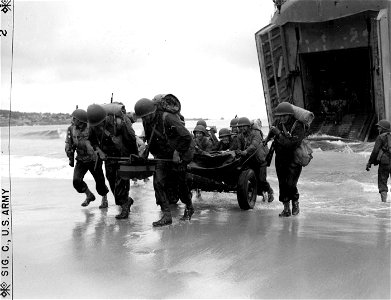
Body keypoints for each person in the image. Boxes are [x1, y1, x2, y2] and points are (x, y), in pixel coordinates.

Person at [134, 97, 195, 227]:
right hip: (162, 156)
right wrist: (145, 152)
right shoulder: (147, 121)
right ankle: (167, 215)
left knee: (180, 185)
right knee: (158, 183)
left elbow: (186, 137)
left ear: (153, 111)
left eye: (146, 117)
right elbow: (151, 139)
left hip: (178, 153)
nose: (144, 120)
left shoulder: (167, 118)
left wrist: (177, 152)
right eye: (142, 118)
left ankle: (189, 206)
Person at [86, 103, 139, 219]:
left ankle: (124, 207)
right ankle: (126, 201)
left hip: (122, 156)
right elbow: (92, 140)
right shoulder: (93, 124)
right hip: (108, 157)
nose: (97, 125)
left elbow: (131, 139)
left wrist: (135, 157)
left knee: (122, 183)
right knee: (111, 181)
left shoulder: (119, 121)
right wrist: (99, 151)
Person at [267, 102, 306, 216]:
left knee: (291, 183)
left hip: (294, 158)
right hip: (280, 158)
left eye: (284, 116)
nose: (282, 118)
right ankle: (286, 209)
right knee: (282, 184)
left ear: (290, 115)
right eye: (280, 116)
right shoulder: (278, 123)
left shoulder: (298, 126)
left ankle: (295, 203)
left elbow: (291, 144)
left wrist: (278, 134)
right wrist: (266, 140)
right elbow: (272, 132)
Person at [65, 108, 109, 207]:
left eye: (74, 118)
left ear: (80, 120)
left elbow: (99, 141)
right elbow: (68, 143)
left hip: (94, 159)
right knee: (76, 181)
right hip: (81, 159)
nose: (73, 120)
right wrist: (69, 154)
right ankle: (89, 195)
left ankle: (104, 198)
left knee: (100, 182)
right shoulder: (71, 129)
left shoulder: (92, 128)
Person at [236, 117, 274, 202]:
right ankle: (256, 194)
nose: (242, 128)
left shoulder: (256, 133)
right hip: (249, 160)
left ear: (249, 126)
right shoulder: (239, 136)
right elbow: (239, 147)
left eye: (244, 126)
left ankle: (269, 191)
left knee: (261, 179)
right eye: (240, 127)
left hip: (260, 159)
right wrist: (238, 152)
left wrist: (245, 151)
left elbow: (254, 145)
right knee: (251, 179)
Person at [366, 119, 391, 202]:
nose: (378, 129)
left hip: (384, 162)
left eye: (379, 127)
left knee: (382, 182)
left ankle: (384, 203)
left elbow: (375, 151)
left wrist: (369, 163)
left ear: (384, 128)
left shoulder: (380, 137)